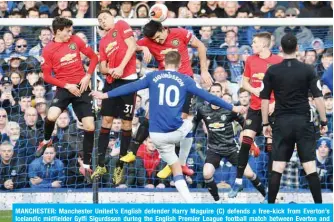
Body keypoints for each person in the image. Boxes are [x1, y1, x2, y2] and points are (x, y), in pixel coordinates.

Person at [90, 51, 247, 202]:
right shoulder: (185, 79)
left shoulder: (153, 76)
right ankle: (184, 162)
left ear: (164, 63)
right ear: (179, 64)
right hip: (175, 131)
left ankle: (191, 203)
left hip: (156, 136)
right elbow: (210, 97)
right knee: (189, 124)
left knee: (175, 168)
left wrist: (105, 95)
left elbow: (131, 87)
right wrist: (233, 108)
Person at [121, 19, 213, 179]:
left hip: (185, 83)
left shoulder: (180, 33)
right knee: (150, 115)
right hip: (164, 82)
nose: (157, 41)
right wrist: (142, 47)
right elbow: (130, 45)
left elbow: (201, 46)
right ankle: (132, 152)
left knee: (182, 121)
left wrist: (204, 71)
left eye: (158, 37)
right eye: (154, 40)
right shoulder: (148, 41)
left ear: (164, 28)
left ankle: (175, 164)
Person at [260, 33, 328, 204]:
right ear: (297, 48)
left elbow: (265, 99)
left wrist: (265, 123)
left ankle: (270, 208)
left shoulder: (272, 71)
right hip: (303, 122)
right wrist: (324, 120)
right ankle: (319, 209)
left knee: (278, 167)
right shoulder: (308, 69)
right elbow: (319, 97)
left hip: (282, 123)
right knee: (310, 166)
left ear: (280, 49)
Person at [37, 17, 98, 183]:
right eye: (67, 31)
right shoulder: (48, 50)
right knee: (51, 116)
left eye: (71, 31)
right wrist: (66, 85)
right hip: (64, 88)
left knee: (90, 126)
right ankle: (46, 139)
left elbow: (94, 57)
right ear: (58, 31)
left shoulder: (75, 40)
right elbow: (47, 77)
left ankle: (86, 165)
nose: (70, 34)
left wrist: (87, 76)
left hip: (81, 87)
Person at [229, 32, 283, 199]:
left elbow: (285, 87)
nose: (252, 45)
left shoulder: (278, 61)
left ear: (264, 45)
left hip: (272, 110)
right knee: (245, 141)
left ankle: (271, 192)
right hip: (255, 108)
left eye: (255, 42)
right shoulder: (251, 60)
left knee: (270, 149)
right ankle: (238, 182)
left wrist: (275, 103)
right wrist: (254, 91)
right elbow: (245, 82)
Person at [193, 83, 266, 202]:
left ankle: (266, 196)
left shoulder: (229, 108)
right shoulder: (202, 109)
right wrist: (190, 135)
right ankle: (217, 201)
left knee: (249, 174)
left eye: (218, 92)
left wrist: (250, 139)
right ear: (209, 94)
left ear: (222, 94)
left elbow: (244, 123)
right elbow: (194, 122)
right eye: (213, 92)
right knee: (206, 173)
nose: (215, 94)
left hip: (231, 148)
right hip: (214, 149)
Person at [91, 10, 139, 184]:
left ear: (112, 17)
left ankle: (120, 165)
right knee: (106, 122)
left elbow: (132, 46)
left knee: (126, 123)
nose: (102, 21)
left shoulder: (121, 25)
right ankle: (101, 163)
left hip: (128, 81)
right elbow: (102, 67)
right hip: (112, 82)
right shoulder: (103, 42)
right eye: (99, 20)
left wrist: (121, 67)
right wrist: (110, 70)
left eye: (104, 17)